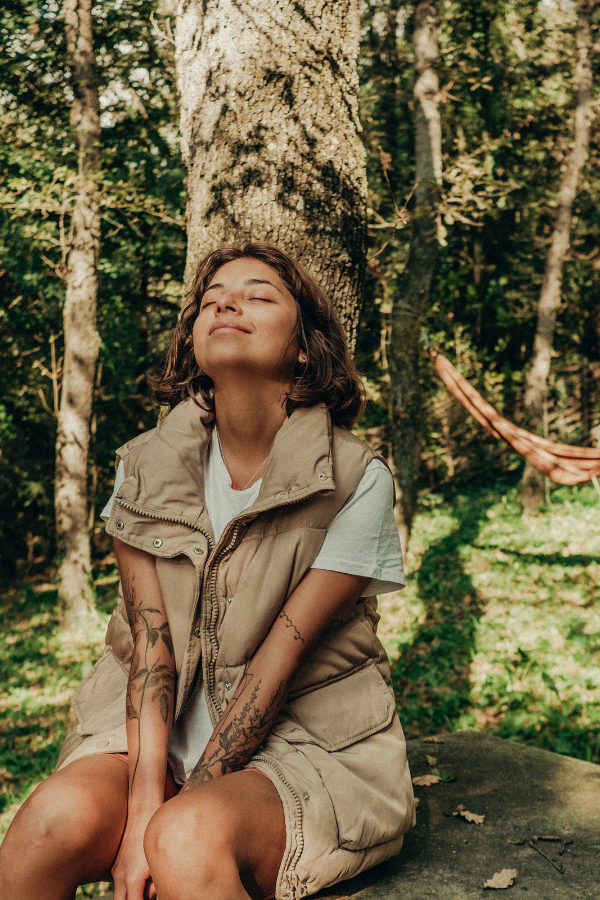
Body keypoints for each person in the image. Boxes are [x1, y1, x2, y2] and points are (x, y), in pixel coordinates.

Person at [0, 243, 415, 900]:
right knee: (45, 826)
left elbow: (277, 664)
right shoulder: (142, 467)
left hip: (304, 749)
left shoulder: (356, 480)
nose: (226, 301)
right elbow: (150, 649)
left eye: (258, 294)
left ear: (305, 347)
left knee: (184, 840)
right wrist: (141, 810)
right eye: (212, 297)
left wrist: (167, 823)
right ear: (193, 340)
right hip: (144, 743)